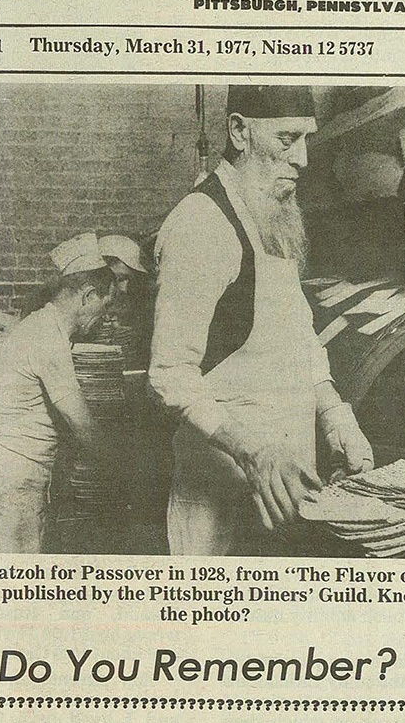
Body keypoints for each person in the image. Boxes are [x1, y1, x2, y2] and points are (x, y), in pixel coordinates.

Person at [148, 86, 374, 554]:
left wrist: (335, 417)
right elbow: (170, 376)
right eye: (288, 139)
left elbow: (296, 334)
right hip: (223, 498)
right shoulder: (203, 224)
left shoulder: (271, 213)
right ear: (239, 131)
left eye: (306, 139)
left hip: (284, 491)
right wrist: (252, 451)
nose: (303, 159)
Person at [0, 234, 115, 552]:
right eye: (106, 304)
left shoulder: (38, 325)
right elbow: (81, 422)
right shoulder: (48, 337)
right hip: (2, 483)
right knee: (2, 595)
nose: (105, 315)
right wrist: (125, 466)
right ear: (89, 295)